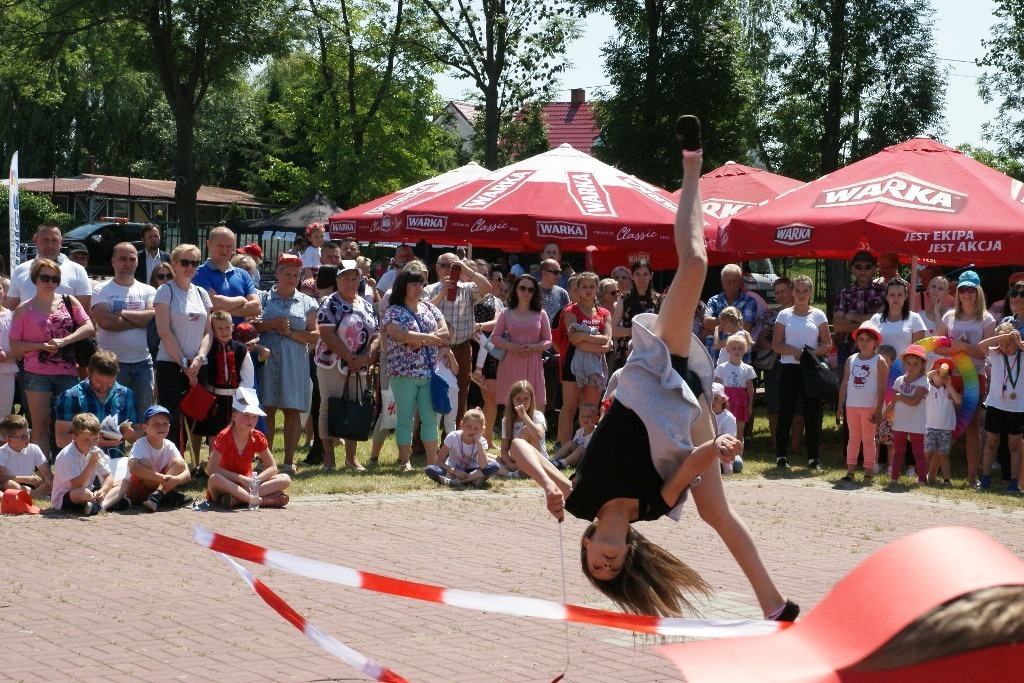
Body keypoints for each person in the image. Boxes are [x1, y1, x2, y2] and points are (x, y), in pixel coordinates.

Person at [509, 116, 796, 621]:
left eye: (594, 566)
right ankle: (776, 605)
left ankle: (691, 165)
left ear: (586, 545)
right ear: (627, 559)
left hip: (651, 369)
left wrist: (547, 483)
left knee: (696, 265)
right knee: (716, 511)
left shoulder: (578, 501)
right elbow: (690, 465)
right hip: (685, 410)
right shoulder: (653, 508)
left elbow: (517, 445)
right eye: (611, 571)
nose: (604, 564)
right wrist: (721, 446)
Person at [10, 259, 95, 456]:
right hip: (35, 373)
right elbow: (15, 345)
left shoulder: (68, 301)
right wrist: (41, 346)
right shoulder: (24, 308)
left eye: (55, 278)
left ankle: (69, 469)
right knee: (39, 426)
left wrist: (65, 340)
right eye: (45, 277)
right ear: (35, 279)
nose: (50, 282)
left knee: (70, 423)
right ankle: (45, 473)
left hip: (67, 371)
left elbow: (88, 327)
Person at [256, 254, 318, 475]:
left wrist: (290, 332)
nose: (292, 279)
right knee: (267, 409)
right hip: (268, 360)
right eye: (288, 274)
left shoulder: (308, 302)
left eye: (296, 275)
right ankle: (266, 459)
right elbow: (252, 327)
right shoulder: (262, 298)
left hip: (294, 362)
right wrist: (273, 324)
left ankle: (289, 461)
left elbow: (315, 335)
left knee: (292, 410)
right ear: (277, 274)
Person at [315, 260, 379, 471]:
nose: (350, 283)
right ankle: (329, 459)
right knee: (329, 407)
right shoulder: (329, 302)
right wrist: (349, 357)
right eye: (345, 278)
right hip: (331, 362)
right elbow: (326, 333)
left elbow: (376, 335)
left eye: (354, 279)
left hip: (359, 365)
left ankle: (351, 459)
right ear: (337, 280)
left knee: (355, 407)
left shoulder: (366, 304)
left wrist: (367, 356)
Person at [936, 270, 996, 488]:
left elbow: (987, 353)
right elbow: (938, 345)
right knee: (942, 424)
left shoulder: (986, 319)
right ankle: (936, 474)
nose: (966, 294)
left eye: (971, 289)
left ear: (978, 291)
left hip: (975, 377)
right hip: (949, 377)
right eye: (962, 289)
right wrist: (953, 351)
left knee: (972, 428)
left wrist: (964, 348)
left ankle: (972, 478)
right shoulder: (949, 316)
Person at [382, 267, 446, 470]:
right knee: (405, 418)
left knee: (429, 418)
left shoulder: (429, 308)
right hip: (403, 373)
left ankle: (432, 463)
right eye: (414, 284)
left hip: (428, 371)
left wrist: (420, 341)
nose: (419, 288)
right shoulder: (394, 310)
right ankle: (404, 461)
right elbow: (398, 334)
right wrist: (428, 338)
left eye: (421, 283)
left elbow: (445, 332)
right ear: (403, 287)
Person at [153, 244, 213, 457]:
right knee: (171, 416)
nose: (190, 267)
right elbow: (164, 332)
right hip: (171, 363)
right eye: (185, 262)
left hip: (198, 365)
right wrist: (185, 364)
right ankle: (169, 462)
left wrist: (199, 359)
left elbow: (208, 332)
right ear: (175, 264)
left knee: (193, 414)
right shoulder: (165, 291)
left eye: (195, 263)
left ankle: (187, 462)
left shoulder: (201, 293)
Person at [772, 274, 832, 470]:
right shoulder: (784, 315)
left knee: (812, 414)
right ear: (792, 293)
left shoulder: (818, 315)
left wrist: (809, 353)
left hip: (810, 370)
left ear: (811, 293)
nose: (801, 294)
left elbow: (828, 344)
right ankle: (781, 456)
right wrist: (793, 352)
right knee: (786, 413)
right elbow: (776, 345)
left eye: (805, 290)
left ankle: (813, 459)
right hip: (789, 368)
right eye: (797, 290)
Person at [91, 242, 157, 419]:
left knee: (144, 418)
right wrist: (140, 320)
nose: (127, 263)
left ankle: (140, 448)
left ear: (137, 262)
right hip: (111, 365)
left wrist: (121, 313)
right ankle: (114, 448)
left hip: (143, 363)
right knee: (111, 418)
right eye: (122, 259)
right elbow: (105, 321)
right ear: (113, 261)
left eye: (131, 259)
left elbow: (153, 319)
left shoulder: (148, 290)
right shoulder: (101, 289)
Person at [423, 253, 492, 419]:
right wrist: (443, 292)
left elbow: (488, 289)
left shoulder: (467, 289)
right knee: (427, 393)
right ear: (437, 268)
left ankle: (455, 440)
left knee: (460, 393)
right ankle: (422, 442)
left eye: (454, 266)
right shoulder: (429, 290)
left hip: (461, 349)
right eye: (446, 266)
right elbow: (423, 312)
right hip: (434, 349)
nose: (450, 269)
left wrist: (466, 269)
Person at [206, 388, 291, 508]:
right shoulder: (224, 436)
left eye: (254, 416)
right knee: (214, 479)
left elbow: (273, 468)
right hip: (226, 484)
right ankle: (260, 501)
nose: (251, 420)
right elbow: (211, 469)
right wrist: (241, 479)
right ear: (234, 416)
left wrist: (255, 480)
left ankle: (238, 499)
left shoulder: (257, 436)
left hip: (248, 485)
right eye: (246, 415)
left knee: (285, 478)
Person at [557, 272, 613, 446]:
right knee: (570, 407)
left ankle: (585, 447)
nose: (588, 291)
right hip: (573, 363)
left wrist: (585, 336)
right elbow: (575, 342)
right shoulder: (570, 311)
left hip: (595, 364)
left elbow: (608, 339)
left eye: (592, 287)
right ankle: (563, 445)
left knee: (589, 408)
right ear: (578, 289)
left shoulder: (604, 313)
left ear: (597, 289)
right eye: (584, 287)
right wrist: (600, 344)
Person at [54, 349, 141, 453]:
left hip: (115, 461)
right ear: (88, 372)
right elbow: (61, 439)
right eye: (99, 381)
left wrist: (132, 435)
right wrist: (93, 442)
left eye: (110, 382)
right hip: (81, 464)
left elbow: (139, 432)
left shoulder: (127, 395)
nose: (104, 386)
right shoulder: (71, 397)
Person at [492, 275, 551, 414]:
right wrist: (510, 346)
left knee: (537, 406)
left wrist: (533, 348)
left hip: (533, 362)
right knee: (511, 407)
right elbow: (494, 337)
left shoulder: (541, 314)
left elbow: (548, 341)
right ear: (516, 290)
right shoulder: (506, 312)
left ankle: (535, 434)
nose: (526, 292)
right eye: (522, 288)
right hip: (510, 363)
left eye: (530, 289)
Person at [116, 405, 193, 512]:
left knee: (179, 462)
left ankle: (158, 496)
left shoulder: (169, 445)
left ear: (169, 427)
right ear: (144, 428)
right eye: (156, 424)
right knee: (145, 463)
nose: (161, 427)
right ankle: (166, 495)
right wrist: (162, 478)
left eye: (165, 424)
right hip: (138, 489)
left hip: (158, 488)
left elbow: (187, 473)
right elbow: (133, 468)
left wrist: (176, 480)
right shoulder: (140, 444)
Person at [192, 310, 255, 439]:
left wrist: (242, 402)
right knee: (214, 435)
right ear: (213, 330)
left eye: (227, 327)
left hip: (234, 398)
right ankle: (212, 459)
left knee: (235, 433)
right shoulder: (207, 348)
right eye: (219, 328)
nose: (224, 331)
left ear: (232, 327)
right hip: (213, 398)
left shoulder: (241, 349)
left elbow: (247, 377)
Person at [757, 277, 802, 457]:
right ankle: (776, 445)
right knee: (775, 408)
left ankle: (795, 446)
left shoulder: (802, 313)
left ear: (792, 291)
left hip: (797, 365)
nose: (780, 295)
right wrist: (777, 348)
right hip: (775, 365)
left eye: (783, 291)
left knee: (798, 408)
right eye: (777, 292)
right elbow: (761, 339)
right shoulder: (770, 315)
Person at [838, 323, 888, 484]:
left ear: (875, 342)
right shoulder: (851, 359)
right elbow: (845, 383)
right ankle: (850, 470)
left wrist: (879, 409)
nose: (864, 343)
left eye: (868, 339)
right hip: (852, 405)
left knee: (868, 439)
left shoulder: (879, 361)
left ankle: (868, 472)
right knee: (853, 438)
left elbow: (882, 387)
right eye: (861, 339)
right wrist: (840, 405)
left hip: (869, 407)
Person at [977, 324, 1024, 493]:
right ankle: (986, 478)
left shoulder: (1021, 355)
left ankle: (1013, 481)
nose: (1005, 348)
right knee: (991, 442)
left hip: (1017, 408)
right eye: (1002, 345)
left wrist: (1018, 342)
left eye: (1008, 344)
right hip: (996, 405)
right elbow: (981, 345)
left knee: (1014, 445)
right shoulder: (996, 354)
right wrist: (1000, 339)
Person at [6, 222, 92, 311]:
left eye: (54, 240)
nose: (50, 245)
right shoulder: (20, 270)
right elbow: (11, 310)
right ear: (35, 240)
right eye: (45, 240)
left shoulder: (77, 270)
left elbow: (85, 312)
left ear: (61, 242)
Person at [50, 413, 120, 516]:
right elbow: (77, 486)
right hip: (67, 496)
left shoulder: (96, 451)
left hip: (89, 491)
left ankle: (101, 505)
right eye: (86, 440)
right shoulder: (67, 455)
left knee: (122, 484)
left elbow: (108, 477)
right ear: (74, 437)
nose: (92, 444)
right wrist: (91, 464)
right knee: (83, 492)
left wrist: (103, 492)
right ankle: (109, 502)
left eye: (95, 439)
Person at [191, 226, 261, 324]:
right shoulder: (197, 273)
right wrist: (242, 300)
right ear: (209, 244)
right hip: (211, 337)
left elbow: (256, 307)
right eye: (220, 246)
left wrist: (219, 308)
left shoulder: (243, 275)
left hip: (240, 337)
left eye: (228, 246)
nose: (224, 250)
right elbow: (211, 303)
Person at [470, 262, 504, 448]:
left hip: (487, 349)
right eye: (478, 274)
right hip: (466, 347)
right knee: (464, 397)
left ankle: (487, 439)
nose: (482, 278)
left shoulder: (495, 300)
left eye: (485, 274)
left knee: (491, 398)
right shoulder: (464, 296)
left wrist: (479, 327)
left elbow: (498, 322)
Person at [833, 251, 886, 371]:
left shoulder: (883, 292)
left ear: (873, 269)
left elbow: (882, 323)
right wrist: (870, 322)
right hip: (847, 351)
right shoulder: (844, 292)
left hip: (876, 352)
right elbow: (837, 326)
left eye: (867, 267)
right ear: (852, 268)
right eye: (859, 266)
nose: (863, 270)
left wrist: (851, 316)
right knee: (845, 388)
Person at [884, 344, 929, 485]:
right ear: (904, 364)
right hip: (901, 422)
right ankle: (894, 478)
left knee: (918, 452)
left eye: (915, 363)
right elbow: (892, 403)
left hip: (916, 422)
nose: (911, 366)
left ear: (922, 364)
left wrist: (899, 397)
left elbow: (915, 401)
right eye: (908, 363)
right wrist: (882, 416)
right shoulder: (899, 380)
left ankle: (922, 478)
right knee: (898, 451)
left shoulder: (924, 381)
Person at [424, 408, 499, 487]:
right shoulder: (453, 437)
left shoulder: (482, 442)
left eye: (476, 428)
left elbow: (483, 466)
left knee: (494, 466)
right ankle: (472, 481)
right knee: (430, 469)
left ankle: (456, 482)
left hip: (473, 471)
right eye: (468, 426)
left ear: (482, 430)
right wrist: (455, 471)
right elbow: (439, 462)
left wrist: (479, 443)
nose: (472, 431)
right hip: (453, 471)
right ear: (461, 425)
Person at [611, 260, 660, 373]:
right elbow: (613, 330)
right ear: (632, 276)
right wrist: (632, 331)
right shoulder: (624, 299)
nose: (641, 278)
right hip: (626, 353)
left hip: (650, 352)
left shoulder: (659, 300)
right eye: (637, 274)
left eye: (645, 274)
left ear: (651, 276)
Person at [714, 332, 756, 447]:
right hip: (726, 400)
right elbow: (716, 388)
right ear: (727, 350)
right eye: (733, 348)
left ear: (745, 350)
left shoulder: (748, 369)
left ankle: (738, 456)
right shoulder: (721, 368)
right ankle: (725, 452)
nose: (737, 351)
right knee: (725, 428)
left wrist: (750, 405)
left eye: (740, 348)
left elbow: (750, 390)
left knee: (739, 430)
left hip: (741, 401)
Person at [497, 380, 547, 476]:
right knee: (489, 458)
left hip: (537, 460)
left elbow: (538, 436)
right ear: (512, 400)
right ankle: (512, 473)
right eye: (518, 399)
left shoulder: (537, 415)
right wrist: (510, 465)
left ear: (531, 400)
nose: (522, 402)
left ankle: (523, 470)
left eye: (526, 399)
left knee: (527, 430)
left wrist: (524, 416)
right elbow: (504, 449)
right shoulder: (507, 420)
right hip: (516, 460)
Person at [925, 359, 961, 485]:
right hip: (929, 427)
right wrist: (933, 372)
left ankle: (946, 480)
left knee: (944, 455)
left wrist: (950, 385)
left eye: (945, 372)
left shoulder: (948, 390)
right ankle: (922, 477)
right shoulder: (927, 387)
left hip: (946, 428)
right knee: (927, 453)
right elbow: (921, 379)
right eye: (938, 371)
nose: (941, 374)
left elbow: (958, 401)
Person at [869, 278, 927, 356]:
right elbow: (869, 349)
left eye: (899, 295)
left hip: (906, 368)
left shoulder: (915, 319)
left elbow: (918, 352)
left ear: (906, 296)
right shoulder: (875, 319)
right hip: (880, 367)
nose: (896, 299)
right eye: (892, 295)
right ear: (886, 297)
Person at [0, 414, 52, 498]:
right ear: (9, 440)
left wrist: (49, 481)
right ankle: (39, 496)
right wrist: (25, 479)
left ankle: (31, 495)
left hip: (31, 486)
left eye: (28, 433)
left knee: (50, 485)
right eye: (23, 436)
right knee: (9, 484)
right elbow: (1, 479)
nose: (28, 437)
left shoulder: (34, 448)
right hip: (13, 486)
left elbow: (47, 473)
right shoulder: (2, 453)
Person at [702, 264, 757, 339]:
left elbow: (746, 328)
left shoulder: (749, 301)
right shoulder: (713, 300)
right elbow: (706, 324)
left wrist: (717, 327)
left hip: (737, 349)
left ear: (740, 281)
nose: (731, 285)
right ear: (722, 282)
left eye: (734, 281)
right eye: (728, 282)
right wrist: (735, 322)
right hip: (713, 350)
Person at [548, 403, 598, 470]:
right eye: (583, 416)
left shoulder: (597, 432)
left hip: (588, 460)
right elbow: (573, 446)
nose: (585, 419)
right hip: (577, 458)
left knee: (581, 449)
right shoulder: (580, 431)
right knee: (570, 443)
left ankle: (562, 463)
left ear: (596, 419)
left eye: (589, 416)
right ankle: (552, 460)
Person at [0, 280, 18, 418]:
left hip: (6, 371)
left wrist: (8, 355)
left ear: (4, 292)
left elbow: (23, 346)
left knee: (3, 416)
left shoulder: (13, 317)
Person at [538, 258, 569, 327]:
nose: (559, 276)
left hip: (556, 335)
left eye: (559, 272)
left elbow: (568, 315)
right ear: (544, 273)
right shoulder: (531, 291)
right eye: (555, 272)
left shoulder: (562, 293)